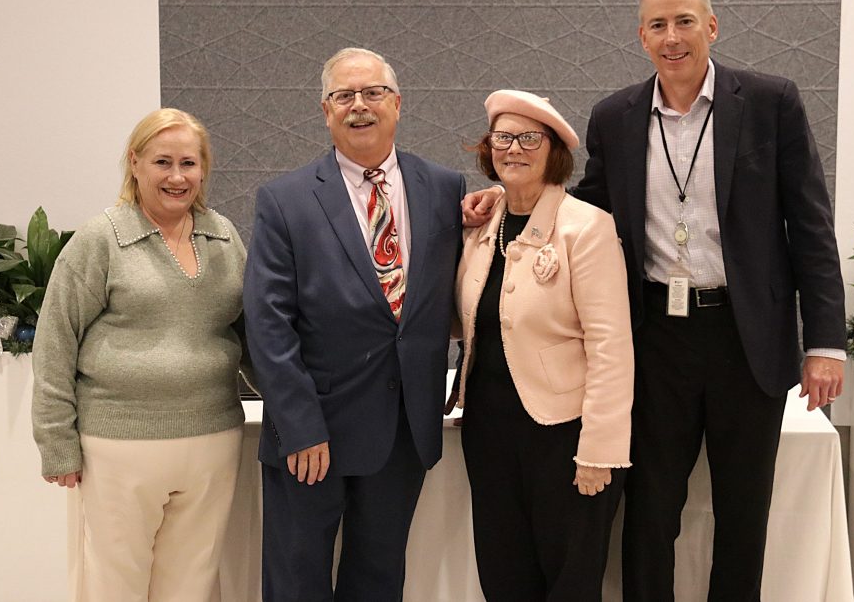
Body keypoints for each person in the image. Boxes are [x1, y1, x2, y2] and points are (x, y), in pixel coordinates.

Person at [463, 0, 846, 601]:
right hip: (655, 340)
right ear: (642, 37)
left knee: (743, 512)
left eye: (685, 22)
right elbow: (587, 208)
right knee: (649, 512)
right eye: (659, 26)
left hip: (747, 339)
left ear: (711, 27)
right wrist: (505, 199)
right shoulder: (616, 115)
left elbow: (809, 222)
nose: (673, 37)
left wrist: (825, 340)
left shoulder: (771, 101)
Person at [243, 47, 465, 601]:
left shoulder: (445, 188)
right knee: (298, 582)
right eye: (344, 96)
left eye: (372, 94)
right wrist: (299, 425)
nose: (359, 106)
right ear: (325, 110)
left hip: (400, 430)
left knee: (379, 579)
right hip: (312, 433)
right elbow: (267, 323)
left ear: (397, 104)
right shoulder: (285, 199)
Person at [32, 108, 248, 601]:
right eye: (162, 162)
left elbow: (252, 333)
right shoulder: (100, 239)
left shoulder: (224, 236)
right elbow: (55, 341)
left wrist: (293, 404)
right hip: (119, 444)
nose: (177, 177)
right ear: (135, 163)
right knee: (115, 584)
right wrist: (56, 442)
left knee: (191, 585)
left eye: (189, 164)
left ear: (204, 169)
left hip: (212, 441)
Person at [453, 90, 633, 601]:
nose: (514, 148)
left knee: (569, 583)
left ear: (553, 150)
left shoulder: (587, 227)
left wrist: (601, 450)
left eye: (530, 137)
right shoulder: (480, 225)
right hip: (489, 433)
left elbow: (611, 347)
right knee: (503, 576)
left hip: (565, 437)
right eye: (503, 137)